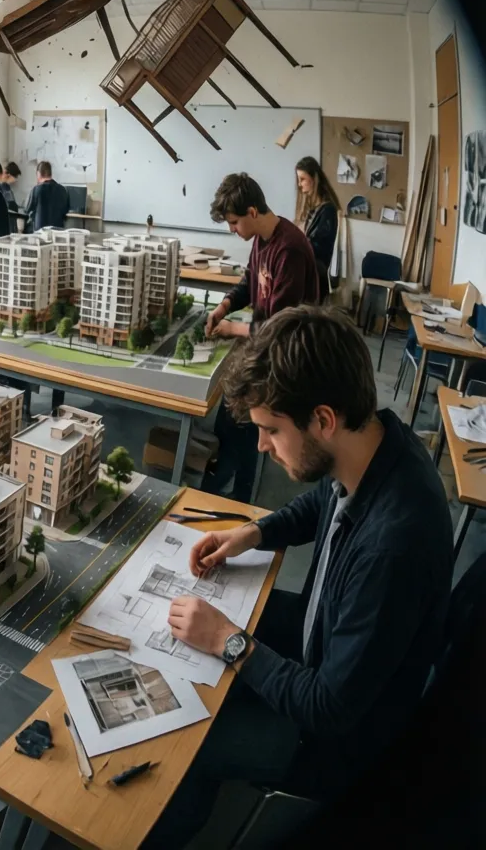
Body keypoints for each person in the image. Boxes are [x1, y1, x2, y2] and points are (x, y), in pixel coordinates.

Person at [144, 306, 452, 849]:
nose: (262, 445)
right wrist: (254, 533)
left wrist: (229, 640)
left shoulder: (393, 545)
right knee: (196, 663)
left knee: (185, 742)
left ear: (323, 419)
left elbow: (329, 708)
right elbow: (321, 501)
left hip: (330, 743)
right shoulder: (376, 445)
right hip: (324, 640)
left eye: (270, 430)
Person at [203, 173, 320, 502]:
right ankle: (231, 490)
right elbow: (249, 283)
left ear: (252, 212)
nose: (232, 229)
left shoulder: (291, 250)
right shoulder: (261, 240)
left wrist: (231, 330)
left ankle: (237, 497)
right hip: (264, 347)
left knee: (244, 426)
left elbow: (279, 326)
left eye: (234, 222)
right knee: (234, 425)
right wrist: (223, 308)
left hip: (285, 355)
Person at [295, 155, 341, 302]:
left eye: (302, 179)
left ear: (313, 179)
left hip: (315, 281)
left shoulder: (327, 210)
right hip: (307, 277)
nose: (299, 184)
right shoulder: (313, 209)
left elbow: (316, 249)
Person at [24, 160, 69, 232]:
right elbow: (65, 211)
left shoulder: (36, 190)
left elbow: (26, 209)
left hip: (40, 234)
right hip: (58, 233)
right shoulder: (63, 190)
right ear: (50, 173)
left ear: (38, 174)